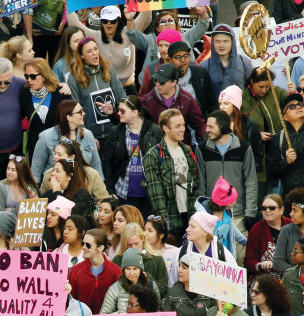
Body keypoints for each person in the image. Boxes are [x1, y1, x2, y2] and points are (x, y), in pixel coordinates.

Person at [197, 110, 259, 233]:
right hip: (212, 214)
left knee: (240, 251)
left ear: (223, 127)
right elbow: (201, 183)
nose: (207, 130)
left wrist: (250, 212)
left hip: (238, 214)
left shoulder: (244, 148)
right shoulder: (202, 150)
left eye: (211, 126)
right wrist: (202, 211)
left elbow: (251, 181)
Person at [143, 109, 198, 240]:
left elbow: (193, 184)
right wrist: (165, 221)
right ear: (165, 128)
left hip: (190, 215)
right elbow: (156, 193)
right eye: (178, 126)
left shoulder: (187, 150)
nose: (183, 129)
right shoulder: (153, 155)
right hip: (171, 217)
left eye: (183, 125)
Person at [101, 96, 162, 209]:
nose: (118, 113)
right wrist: (109, 189)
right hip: (124, 192)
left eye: (122, 111)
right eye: (118, 110)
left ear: (135, 112)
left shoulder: (155, 130)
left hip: (150, 192)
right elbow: (107, 161)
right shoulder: (116, 132)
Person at [266, 94, 304, 198]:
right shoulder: (280, 137)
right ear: (284, 117)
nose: (298, 107)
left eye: (301, 104)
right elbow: (273, 170)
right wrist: (286, 162)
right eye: (292, 107)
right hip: (290, 198)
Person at [65, 36, 124, 142]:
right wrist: (86, 135)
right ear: (82, 56)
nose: (94, 53)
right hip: (91, 136)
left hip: (113, 132)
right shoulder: (74, 77)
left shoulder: (108, 68)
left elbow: (121, 97)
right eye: (89, 51)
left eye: (96, 49)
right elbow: (74, 109)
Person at [32, 100, 103, 182]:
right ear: (69, 117)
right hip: (55, 187)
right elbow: (36, 170)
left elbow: (96, 165)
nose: (84, 113)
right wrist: (35, 191)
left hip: (82, 187)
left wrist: (100, 188)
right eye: (80, 112)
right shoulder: (46, 137)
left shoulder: (88, 135)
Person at [20, 59, 68, 159]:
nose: (29, 80)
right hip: (36, 149)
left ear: (44, 75)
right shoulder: (24, 94)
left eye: (33, 76)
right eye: (26, 76)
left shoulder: (60, 92)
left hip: (58, 148)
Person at [69, 229, 121, 314]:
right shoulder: (76, 271)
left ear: (100, 248)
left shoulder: (116, 272)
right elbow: (71, 302)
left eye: (88, 245)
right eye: (83, 243)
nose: (83, 247)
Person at [200, 24, 255, 100]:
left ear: (232, 42)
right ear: (213, 43)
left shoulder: (245, 63)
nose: (221, 45)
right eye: (217, 41)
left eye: (225, 41)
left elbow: (252, 91)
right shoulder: (204, 66)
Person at [246, 194, 288, 280]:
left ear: (281, 209)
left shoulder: (291, 225)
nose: (267, 210)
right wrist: (259, 265)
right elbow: (249, 260)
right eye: (264, 208)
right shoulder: (256, 229)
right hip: (264, 277)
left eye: (272, 207)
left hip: (289, 274)